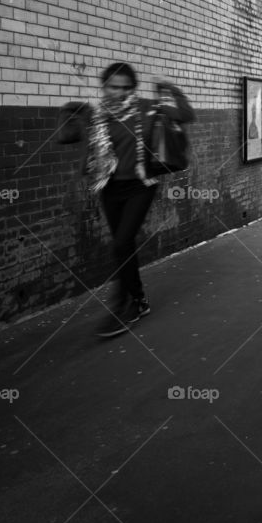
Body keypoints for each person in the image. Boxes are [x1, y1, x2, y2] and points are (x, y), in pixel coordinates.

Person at [57, 62, 195, 338]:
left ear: (132, 89)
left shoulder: (147, 109)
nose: (119, 92)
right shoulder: (98, 117)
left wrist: (169, 88)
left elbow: (186, 115)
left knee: (121, 242)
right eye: (113, 87)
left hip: (140, 187)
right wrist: (68, 112)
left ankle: (122, 305)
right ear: (104, 87)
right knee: (124, 245)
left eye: (125, 88)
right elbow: (65, 137)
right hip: (108, 187)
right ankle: (140, 298)